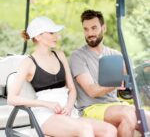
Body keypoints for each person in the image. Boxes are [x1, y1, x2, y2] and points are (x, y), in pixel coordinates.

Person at [7, 16, 117, 137]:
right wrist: (47, 104)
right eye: (51, 33)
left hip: (69, 111)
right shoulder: (28, 63)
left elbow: (72, 89)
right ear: (38, 36)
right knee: (84, 129)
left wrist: (69, 106)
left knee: (110, 130)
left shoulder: (60, 55)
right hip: (46, 116)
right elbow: (11, 98)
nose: (57, 36)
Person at [70, 9, 150, 137]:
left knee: (147, 117)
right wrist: (118, 80)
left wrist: (145, 70)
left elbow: (132, 77)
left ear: (104, 28)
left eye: (94, 28)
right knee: (127, 114)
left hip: (115, 104)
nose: (90, 33)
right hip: (91, 107)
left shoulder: (115, 55)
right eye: (86, 29)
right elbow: (92, 91)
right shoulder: (78, 56)